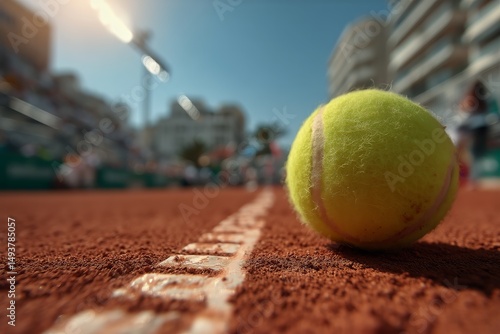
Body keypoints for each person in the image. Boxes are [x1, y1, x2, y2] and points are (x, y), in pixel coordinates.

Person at [456, 81, 499, 188]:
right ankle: (474, 178)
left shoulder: (471, 98)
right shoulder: (482, 100)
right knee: (476, 154)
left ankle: (473, 179)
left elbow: (465, 114)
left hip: (475, 128)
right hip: (481, 128)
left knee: (474, 154)